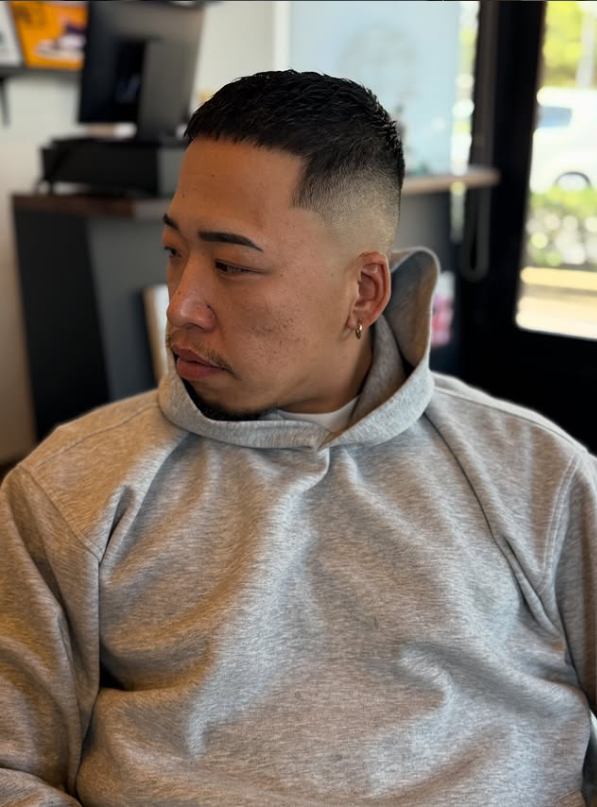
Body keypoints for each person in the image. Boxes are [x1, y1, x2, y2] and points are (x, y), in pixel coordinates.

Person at [0, 69, 596, 807]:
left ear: (363, 291)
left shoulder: (536, 476)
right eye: (173, 250)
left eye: (231, 265)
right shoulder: (70, 489)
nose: (182, 305)